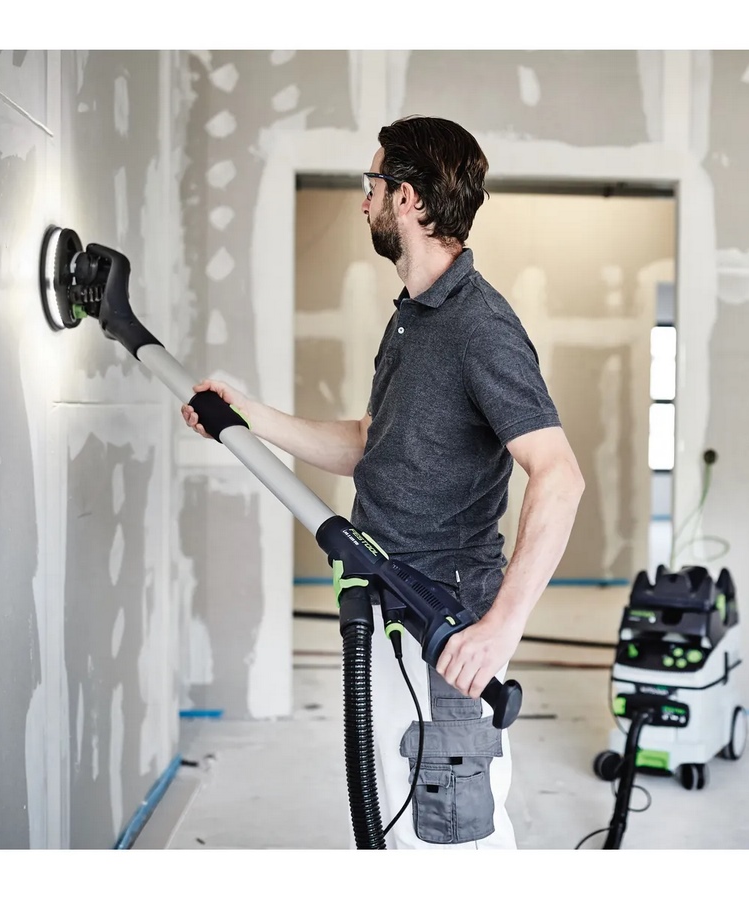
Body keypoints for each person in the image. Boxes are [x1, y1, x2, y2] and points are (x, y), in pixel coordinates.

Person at [181, 115, 585, 849]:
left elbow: (559, 474)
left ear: (406, 197)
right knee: (401, 826)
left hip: (445, 622)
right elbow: (373, 445)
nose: (361, 199)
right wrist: (248, 417)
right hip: (390, 602)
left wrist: (500, 628)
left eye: (370, 183)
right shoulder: (414, 321)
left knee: (452, 837)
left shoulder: (479, 326)